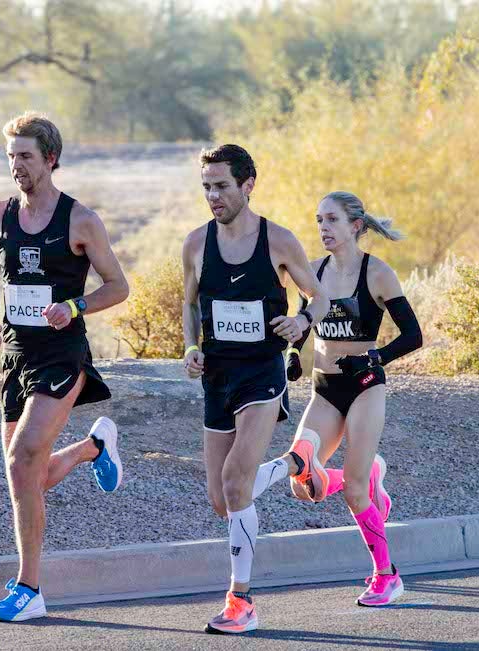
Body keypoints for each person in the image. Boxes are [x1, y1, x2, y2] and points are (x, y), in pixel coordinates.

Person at [0, 112, 130, 622]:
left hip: (62, 356)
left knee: (22, 463)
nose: (17, 165)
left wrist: (77, 306)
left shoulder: (80, 220)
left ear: (50, 159)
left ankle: (30, 588)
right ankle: (94, 447)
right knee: (27, 477)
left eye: (26, 156)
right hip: (18, 356)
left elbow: (118, 286)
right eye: (11, 157)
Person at [182, 144, 331, 634]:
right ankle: (296, 463)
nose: (213, 196)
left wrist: (301, 320)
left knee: (235, 481)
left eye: (222, 185)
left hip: (262, 374)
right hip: (216, 375)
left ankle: (240, 600)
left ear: (248, 185)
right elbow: (189, 304)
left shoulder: (278, 241)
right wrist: (190, 346)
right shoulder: (196, 244)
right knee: (221, 498)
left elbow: (320, 295)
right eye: (206, 186)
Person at [251, 191, 422, 607]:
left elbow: (413, 336)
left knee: (354, 493)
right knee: (303, 486)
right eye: (318, 220)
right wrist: (292, 356)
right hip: (324, 389)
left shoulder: (377, 274)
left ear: (355, 226)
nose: (323, 228)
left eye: (331, 220)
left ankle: (387, 575)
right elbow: (300, 326)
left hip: (365, 387)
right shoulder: (312, 272)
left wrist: (372, 357)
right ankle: (366, 477)